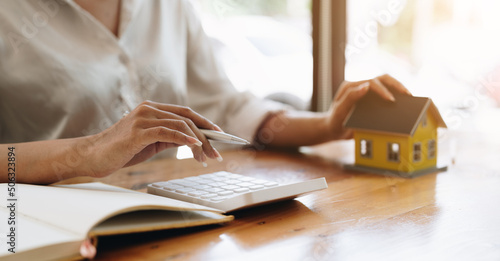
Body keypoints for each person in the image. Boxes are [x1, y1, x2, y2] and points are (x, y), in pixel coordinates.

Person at [0, 0, 411, 185]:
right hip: (41, 230)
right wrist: (86, 153)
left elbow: (227, 108)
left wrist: (326, 124)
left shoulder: (169, 5)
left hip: (153, 214)